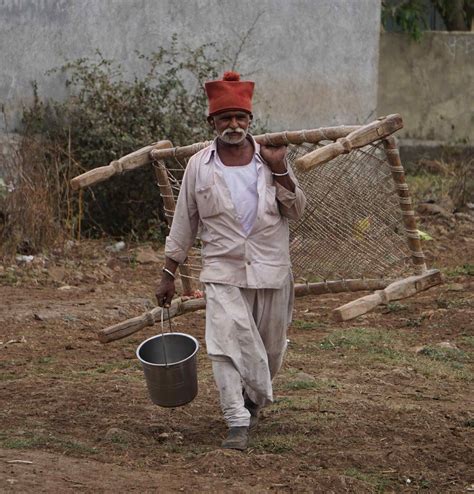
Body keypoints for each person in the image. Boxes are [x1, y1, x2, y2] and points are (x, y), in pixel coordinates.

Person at [155, 71, 306, 451]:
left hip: (271, 269)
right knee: (223, 344)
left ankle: (253, 400)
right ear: (212, 123)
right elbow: (184, 222)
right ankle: (236, 419)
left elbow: (298, 211)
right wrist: (168, 272)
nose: (234, 125)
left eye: (240, 118)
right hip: (222, 271)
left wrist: (281, 170)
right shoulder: (198, 166)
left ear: (250, 121)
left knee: (269, 351)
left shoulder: (271, 159)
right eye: (226, 119)